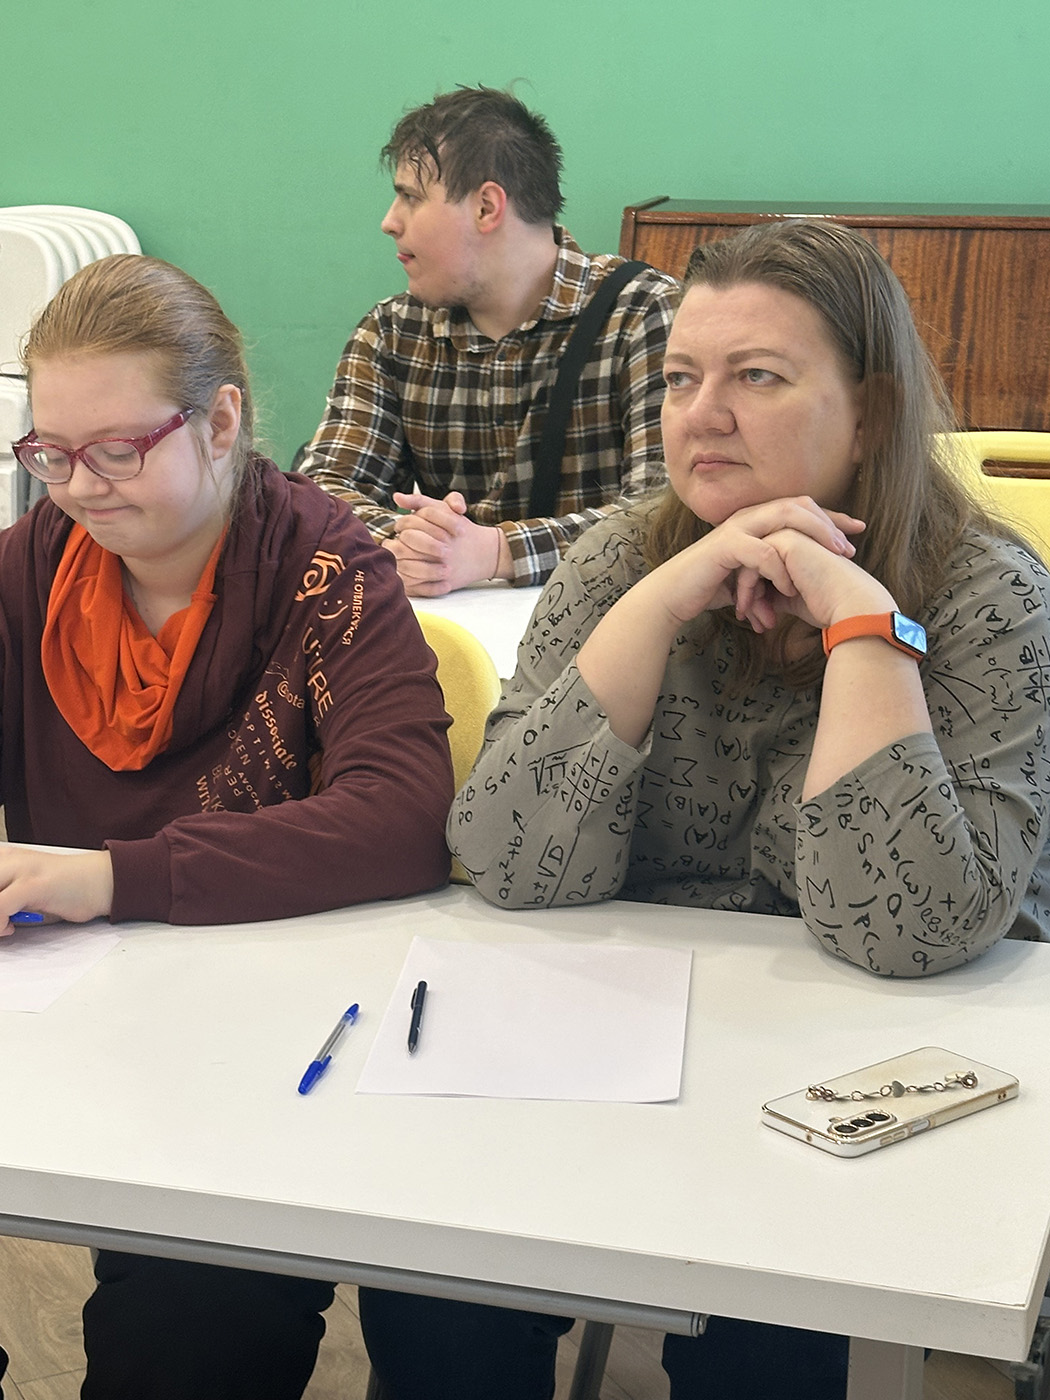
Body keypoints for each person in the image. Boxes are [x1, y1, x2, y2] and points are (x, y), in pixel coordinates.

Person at [365, 220, 1050, 1399]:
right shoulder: (618, 558)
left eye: (758, 377)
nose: (703, 415)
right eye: (682, 378)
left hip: (858, 1063)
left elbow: (910, 933)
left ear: (873, 413)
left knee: (768, 1331)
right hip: (622, 1046)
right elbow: (509, 861)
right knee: (434, 1286)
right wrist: (663, 592)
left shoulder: (988, 592)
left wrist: (861, 624)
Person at [6, 253, 454, 1398]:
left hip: (262, 1053)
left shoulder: (326, 569)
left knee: (184, 1332)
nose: (78, 486)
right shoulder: (30, 568)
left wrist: (109, 877)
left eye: (118, 450)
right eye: (49, 451)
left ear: (220, 422)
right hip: (72, 1023)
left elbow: (403, 815)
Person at [300, 84, 679, 596]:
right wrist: (418, 543)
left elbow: (665, 513)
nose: (389, 222)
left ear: (486, 207)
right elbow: (320, 493)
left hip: (603, 630)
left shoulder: (644, 314)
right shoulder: (392, 331)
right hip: (449, 635)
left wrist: (496, 552)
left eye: (410, 197)